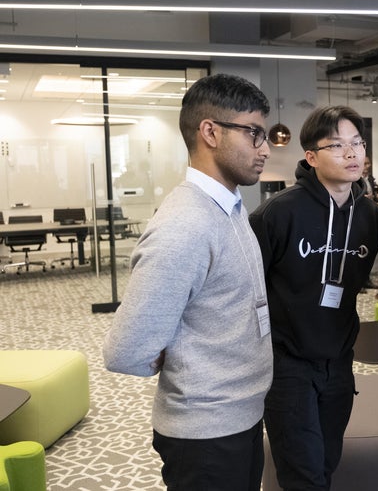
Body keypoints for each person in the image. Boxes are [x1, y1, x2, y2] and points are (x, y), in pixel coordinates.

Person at [103, 73, 274, 491]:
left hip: (239, 418)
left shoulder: (229, 208)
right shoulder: (186, 225)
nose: (265, 149)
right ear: (210, 132)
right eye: (254, 134)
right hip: (205, 435)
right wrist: (177, 358)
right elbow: (126, 350)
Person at [249, 105, 378, 491]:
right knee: (302, 474)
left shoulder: (370, 217)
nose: (352, 153)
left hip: (339, 360)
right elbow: (246, 288)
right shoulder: (276, 214)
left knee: (326, 461)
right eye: (338, 145)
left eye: (357, 143)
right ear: (311, 157)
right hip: (286, 363)